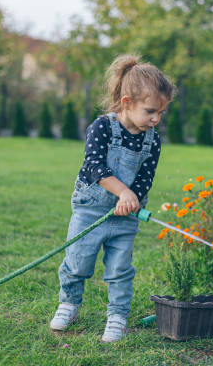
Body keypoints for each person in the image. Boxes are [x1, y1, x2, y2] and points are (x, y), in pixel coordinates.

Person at [50, 54, 175, 342]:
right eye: (151, 111)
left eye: (160, 113)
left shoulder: (152, 140)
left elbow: (145, 177)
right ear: (128, 102)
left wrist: (132, 198)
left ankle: (117, 316)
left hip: (126, 217)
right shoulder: (102, 127)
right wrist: (123, 192)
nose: (156, 119)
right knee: (77, 261)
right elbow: (94, 166)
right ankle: (69, 304)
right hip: (90, 210)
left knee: (120, 269)